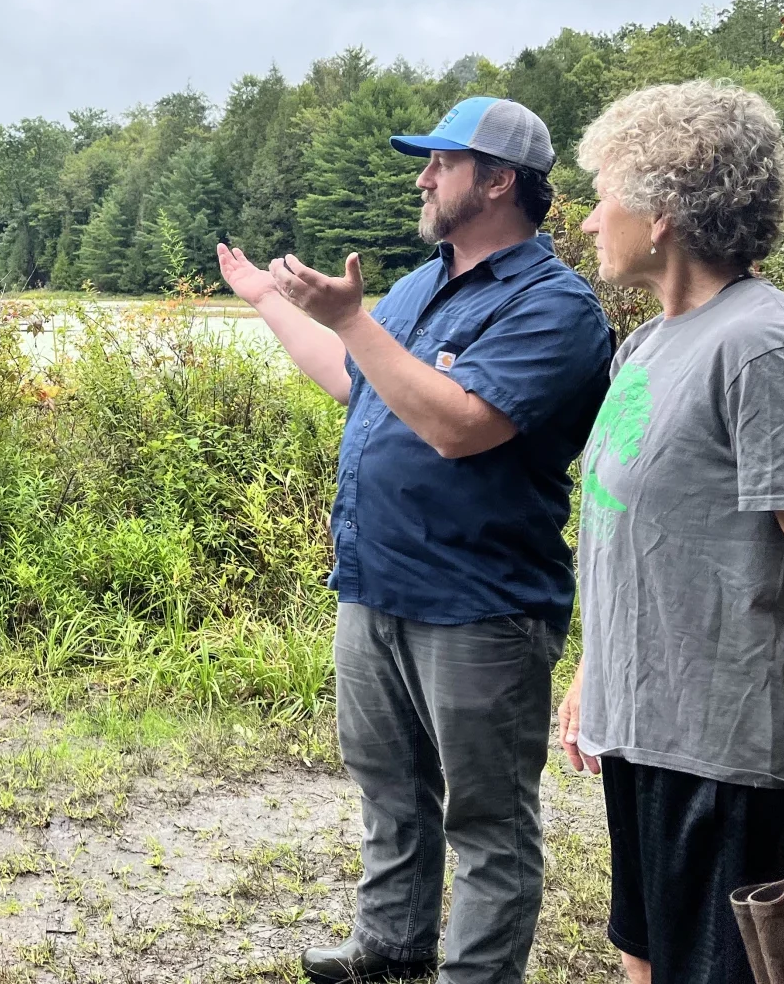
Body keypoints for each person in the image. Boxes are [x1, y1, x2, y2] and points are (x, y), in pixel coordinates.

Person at [218, 96, 612, 983]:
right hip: (376, 585)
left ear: (500, 180)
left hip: (481, 606)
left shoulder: (558, 308)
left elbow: (459, 426)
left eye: (443, 161)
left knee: (488, 822)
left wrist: (353, 318)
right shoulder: (417, 285)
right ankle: (390, 948)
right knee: (389, 789)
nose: (423, 176)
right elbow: (354, 382)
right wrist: (270, 304)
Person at [556, 80, 784, 984]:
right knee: (646, 960)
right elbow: (644, 539)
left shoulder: (766, 347)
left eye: (606, 191)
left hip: (738, 770)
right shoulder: (649, 345)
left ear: (666, 209)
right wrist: (593, 675)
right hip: (648, 742)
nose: (591, 217)